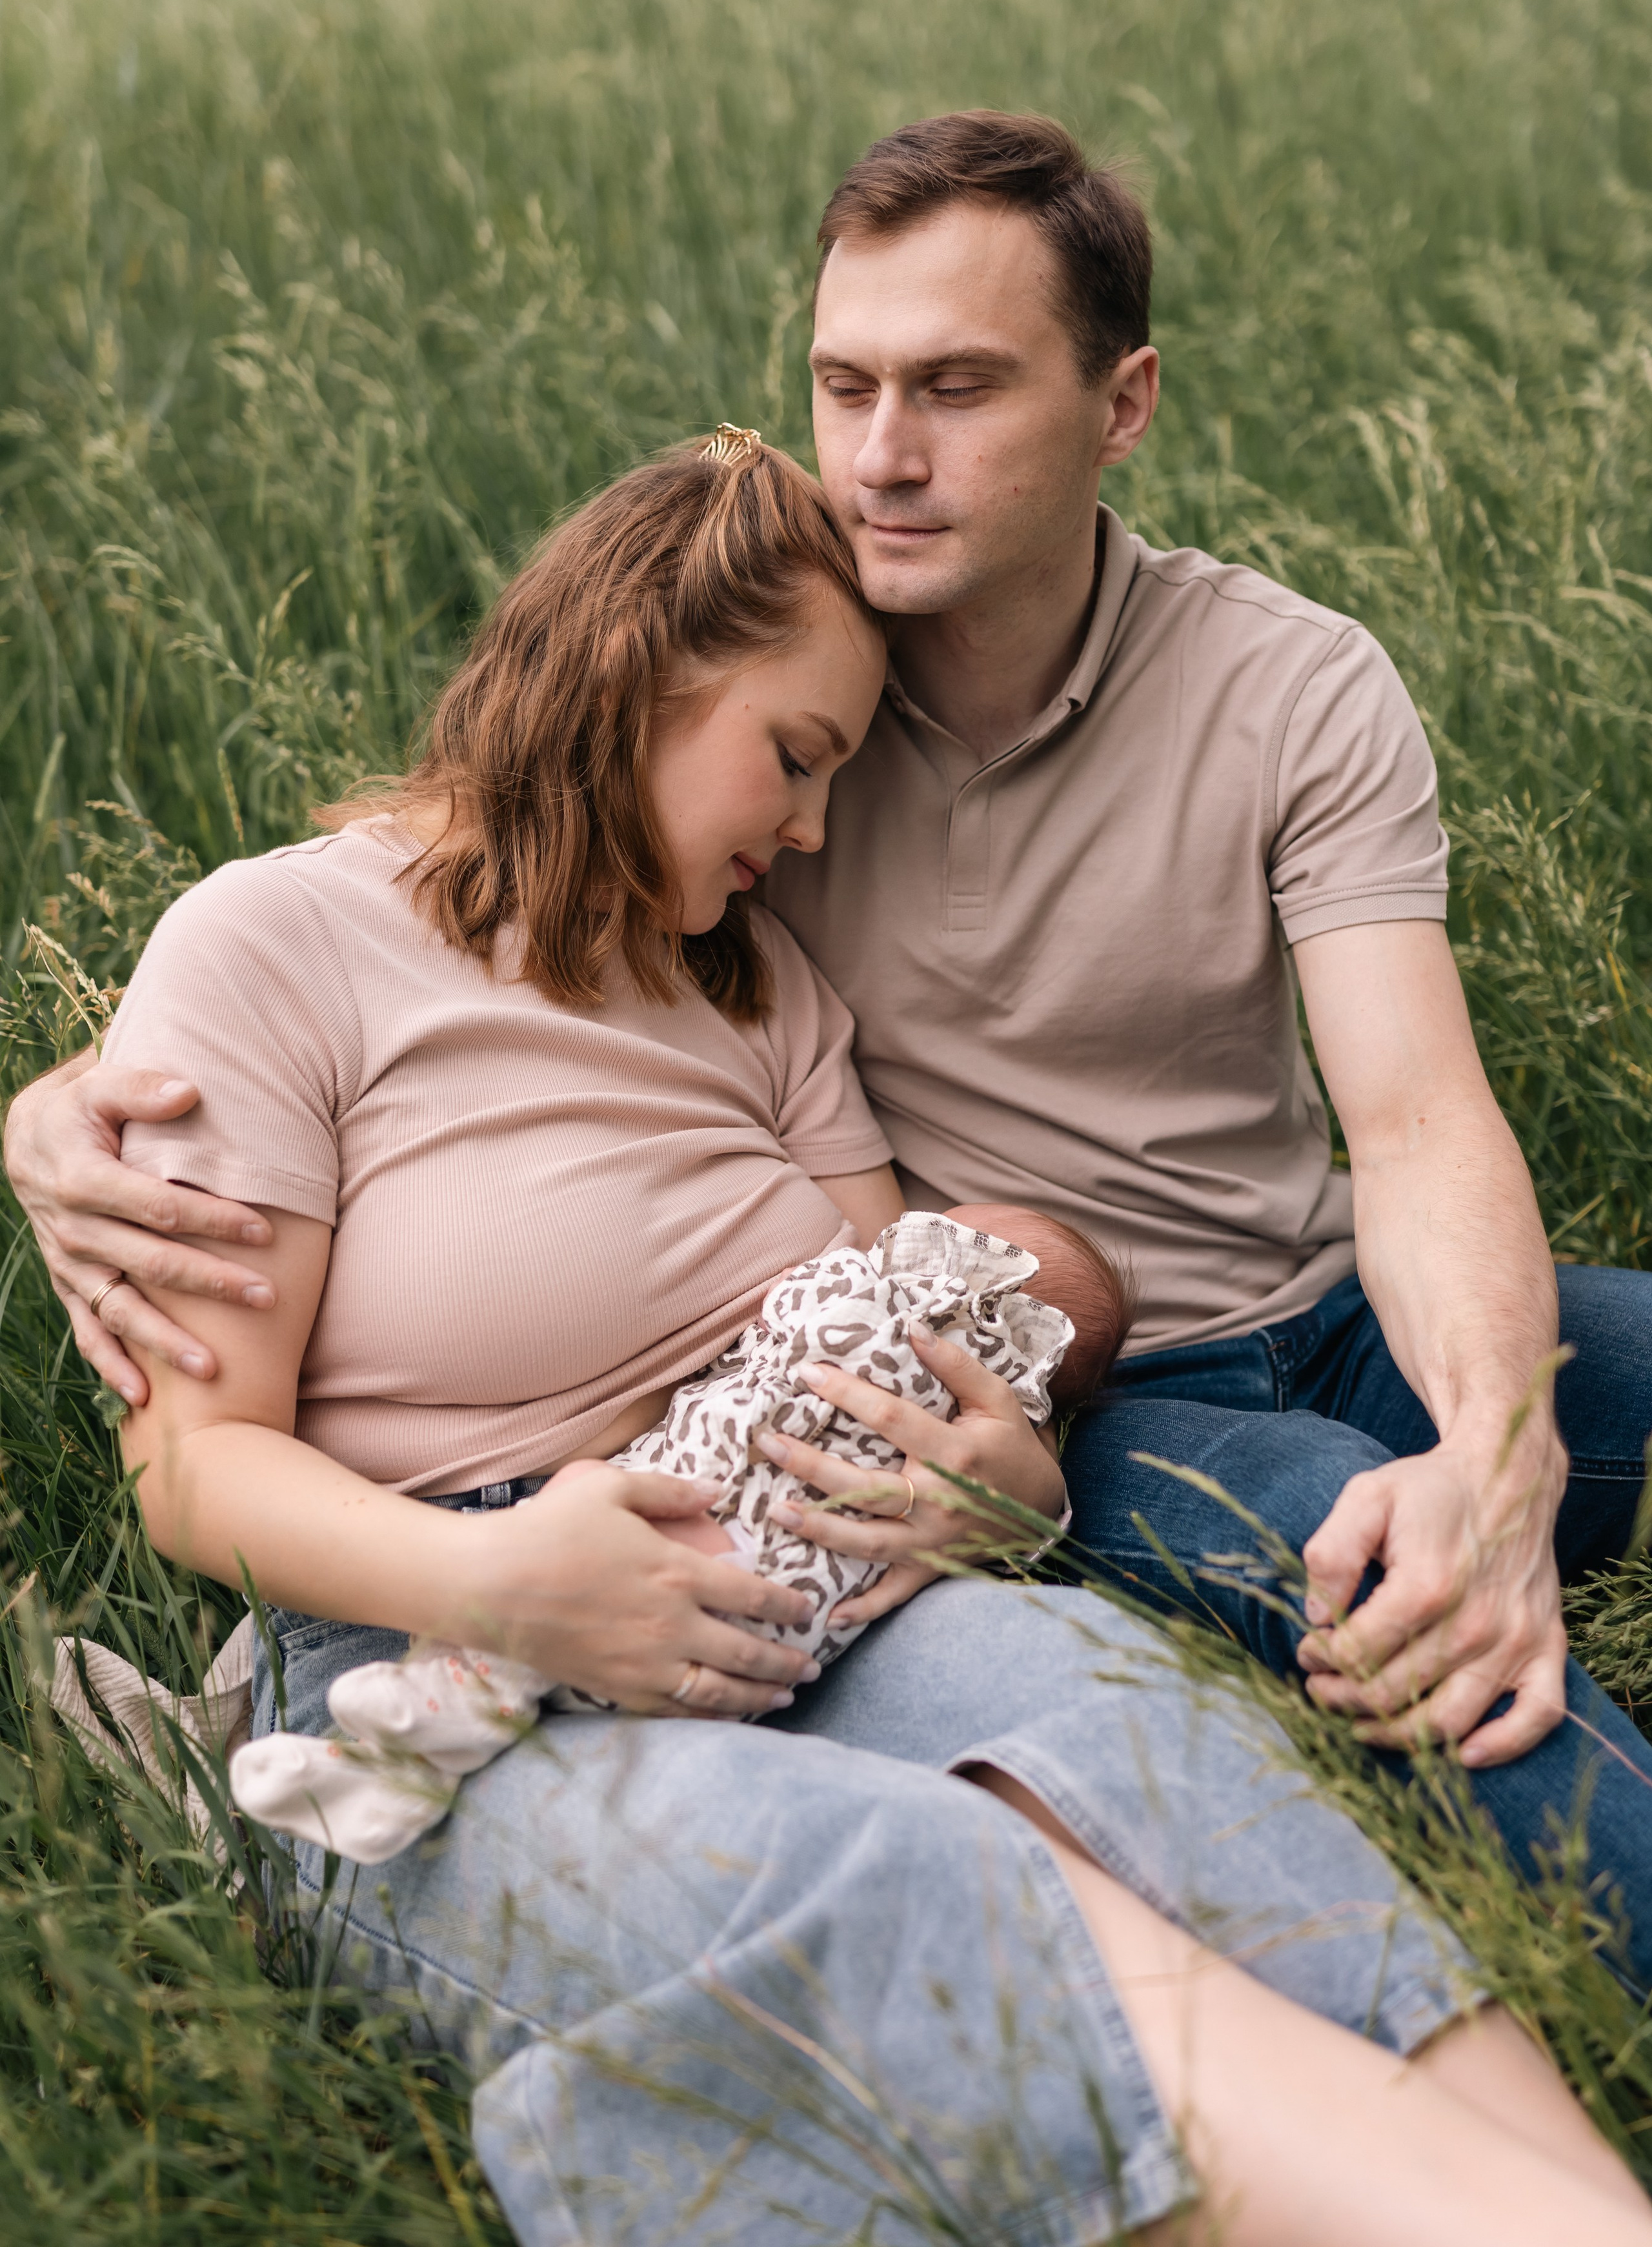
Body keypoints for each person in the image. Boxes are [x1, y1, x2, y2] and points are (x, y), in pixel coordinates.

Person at [30, 431, 1650, 2243]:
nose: (810, 828)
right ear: (634, 668)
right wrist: (505, 1590)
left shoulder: (766, 994)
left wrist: (1001, 1481)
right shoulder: (274, 944)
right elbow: (190, 1465)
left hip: (800, 1575)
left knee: (1145, 1751)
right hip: (424, 1640)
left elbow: (910, 1298)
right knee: (919, 1876)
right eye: (794, 760)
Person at [227, 1202, 1118, 1862]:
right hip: (757, 1621)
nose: (920, 1224)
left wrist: (1029, 1495)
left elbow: (823, 1296)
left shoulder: (905, 1330)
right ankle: (397, 1760)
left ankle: (418, 1735)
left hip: (706, 1555)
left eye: (957, 1224)